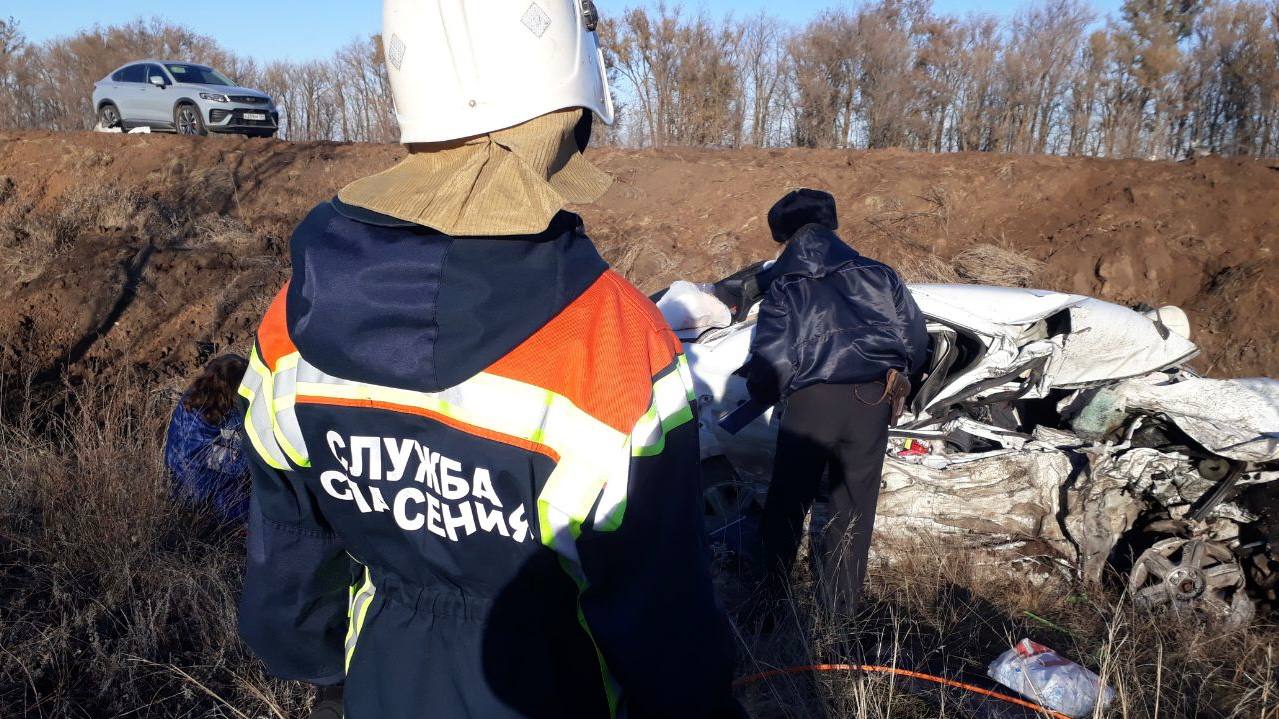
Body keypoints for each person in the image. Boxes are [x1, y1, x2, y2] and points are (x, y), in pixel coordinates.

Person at [234, 2, 744, 718]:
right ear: (569, 109)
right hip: (552, 684)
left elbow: (287, 540)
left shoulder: (294, 313)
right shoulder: (611, 335)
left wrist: (323, 669)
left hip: (381, 677)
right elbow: (661, 606)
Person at [745, 188, 929, 619]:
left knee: (787, 505)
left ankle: (767, 607)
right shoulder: (880, 273)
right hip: (874, 398)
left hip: (812, 402)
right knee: (854, 510)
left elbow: (773, 360)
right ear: (832, 225)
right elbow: (913, 341)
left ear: (784, 237)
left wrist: (762, 393)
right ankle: (839, 619)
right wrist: (899, 382)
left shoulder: (787, 283)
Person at [165, 354, 251, 523]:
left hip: (212, 481)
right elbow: (228, 462)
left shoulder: (212, 398)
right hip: (200, 490)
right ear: (231, 388)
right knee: (260, 515)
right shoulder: (199, 416)